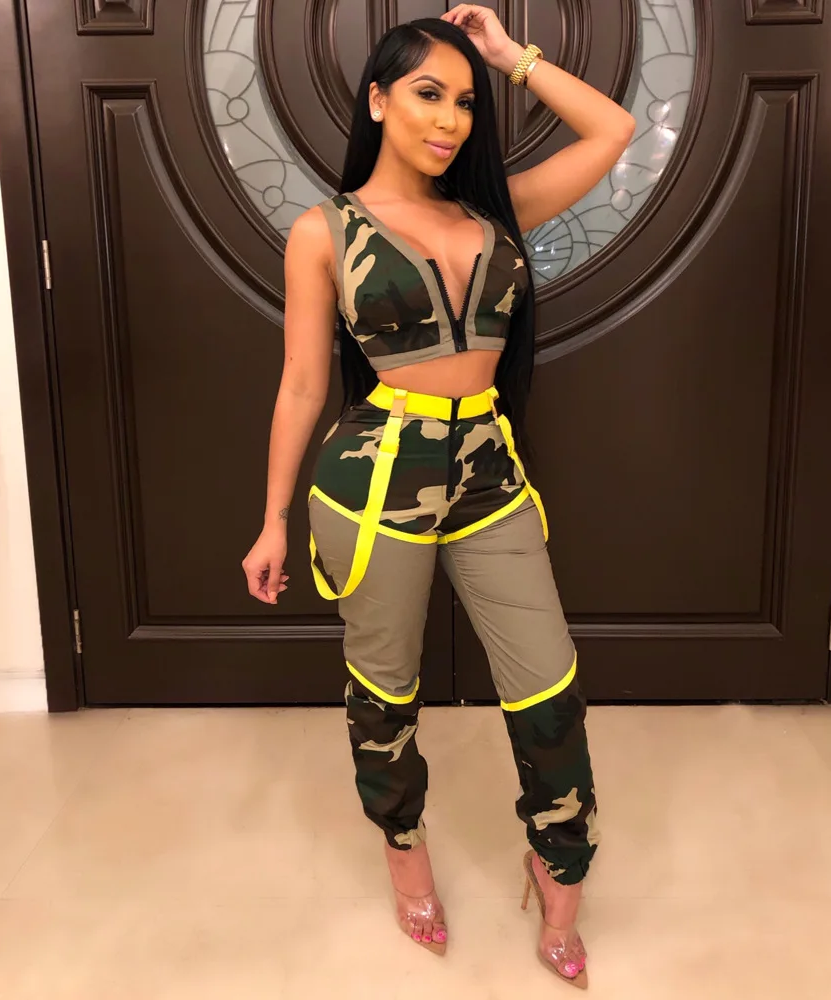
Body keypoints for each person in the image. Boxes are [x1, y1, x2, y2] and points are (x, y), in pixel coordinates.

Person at [241, 5, 635, 988]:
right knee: (384, 693)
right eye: (428, 93)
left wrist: (510, 56)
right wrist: (272, 518)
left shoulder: (494, 213)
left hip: (489, 476)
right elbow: (302, 383)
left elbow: (613, 130)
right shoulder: (324, 231)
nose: (451, 118)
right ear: (377, 100)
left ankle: (559, 863)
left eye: (464, 101)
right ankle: (403, 847)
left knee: (548, 687)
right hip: (374, 478)